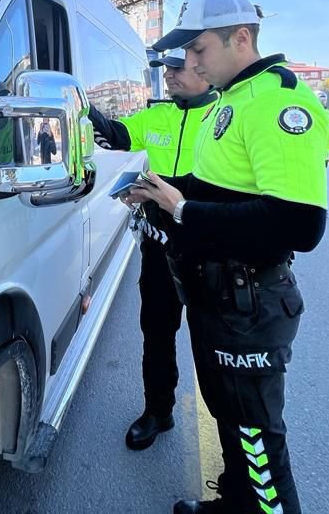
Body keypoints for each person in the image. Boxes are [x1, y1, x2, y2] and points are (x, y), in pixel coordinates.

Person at [122, 0, 329, 514]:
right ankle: (235, 501)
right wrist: (160, 189)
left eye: (198, 51)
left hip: (249, 301)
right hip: (217, 294)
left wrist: (183, 210)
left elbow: (298, 223)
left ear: (241, 38)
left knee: (259, 443)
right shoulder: (232, 100)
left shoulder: (278, 103)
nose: (188, 64)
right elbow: (216, 186)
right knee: (229, 419)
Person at [88, 50, 217, 450]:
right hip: (160, 250)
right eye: (166, 69)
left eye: (177, 67)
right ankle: (157, 411)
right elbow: (114, 133)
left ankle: (231, 434)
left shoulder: (225, 116)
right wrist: (82, 105)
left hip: (208, 252)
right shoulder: (157, 115)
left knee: (212, 344)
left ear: (204, 66)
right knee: (157, 333)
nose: (170, 76)